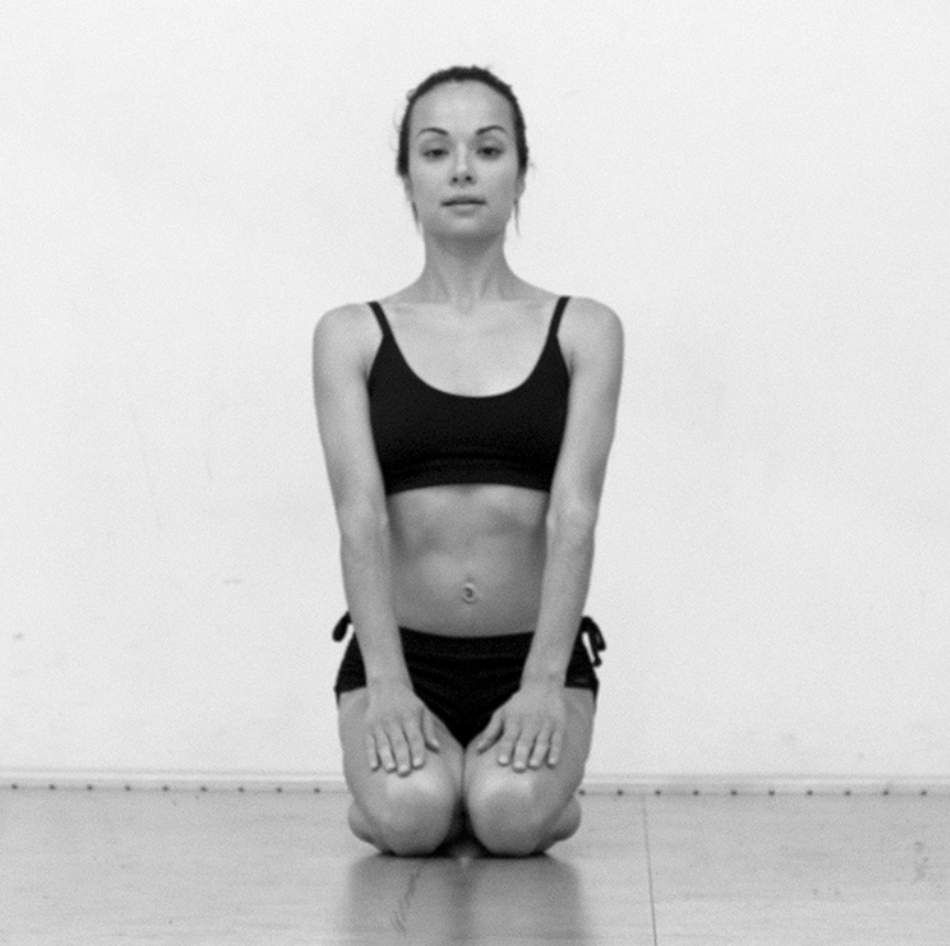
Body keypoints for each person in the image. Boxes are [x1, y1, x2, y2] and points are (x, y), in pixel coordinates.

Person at [312, 65, 623, 857]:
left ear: (520, 174)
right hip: (403, 656)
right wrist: (385, 685)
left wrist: (544, 684)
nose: (460, 170)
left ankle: (513, 798)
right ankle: (406, 801)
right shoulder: (350, 335)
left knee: (509, 819)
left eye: (487, 149)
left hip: (532, 654)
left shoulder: (585, 329)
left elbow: (575, 516)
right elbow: (361, 519)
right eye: (434, 150)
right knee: (414, 821)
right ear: (407, 180)